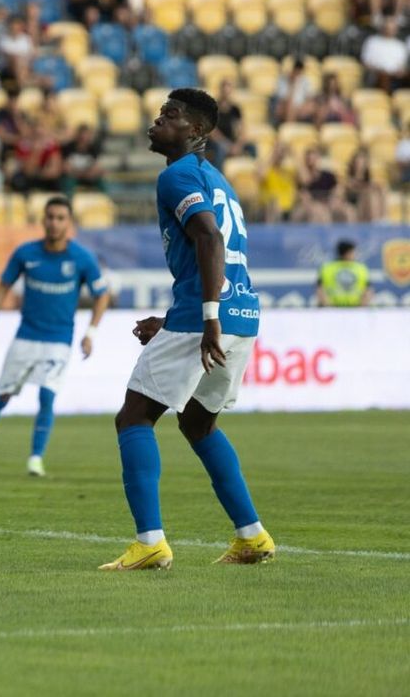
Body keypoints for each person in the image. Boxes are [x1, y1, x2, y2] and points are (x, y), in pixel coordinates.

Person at [103, 88, 274, 572]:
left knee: (133, 417)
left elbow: (209, 236)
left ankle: (150, 543)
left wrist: (206, 317)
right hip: (243, 313)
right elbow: (210, 248)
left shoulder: (177, 176)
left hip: (215, 317)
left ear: (195, 131)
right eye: (159, 113)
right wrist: (177, 316)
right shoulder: (214, 178)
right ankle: (252, 536)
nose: (158, 121)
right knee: (199, 423)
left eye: (170, 116)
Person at [0, 198, 111, 478]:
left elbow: (102, 295)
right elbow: (3, 286)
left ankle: (36, 458)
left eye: (60, 217)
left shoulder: (82, 258)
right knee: (1, 397)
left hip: (59, 340)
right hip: (26, 337)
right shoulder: (26, 253)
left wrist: (91, 333)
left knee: (47, 397)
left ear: (69, 222)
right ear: (43, 220)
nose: (54, 222)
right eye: (50, 217)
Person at [316, 240, 373, 307]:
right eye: (353, 252)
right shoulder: (360, 268)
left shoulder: (327, 268)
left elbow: (367, 291)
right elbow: (320, 290)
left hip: (353, 310)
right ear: (347, 253)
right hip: (336, 310)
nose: (355, 254)